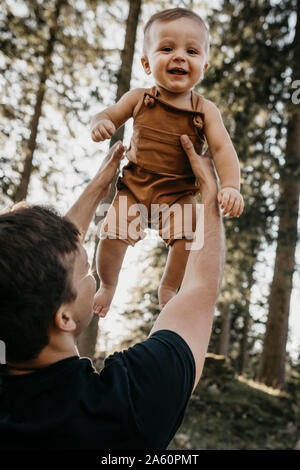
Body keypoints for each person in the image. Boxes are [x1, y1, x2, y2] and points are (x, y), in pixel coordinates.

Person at [0, 136, 225, 451]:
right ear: (63, 317)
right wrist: (211, 191)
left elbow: (31, 269)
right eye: (87, 271)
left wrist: (99, 186)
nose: (92, 271)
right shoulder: (124, 408)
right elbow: (199, 290)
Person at [91, 8, 244, 317]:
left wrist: (231, 186)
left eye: (191, 51)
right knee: (111, 236)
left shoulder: (205, 111)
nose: (179, 57)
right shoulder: (138, 98)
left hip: (178, 194)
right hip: (134, 187)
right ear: (147, 64)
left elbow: (223, 149)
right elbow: (109, 113)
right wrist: (101, 123)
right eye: (167, 48)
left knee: (189, 236)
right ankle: (107, 284)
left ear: (204, 65)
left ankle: (169, 287)